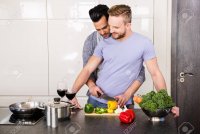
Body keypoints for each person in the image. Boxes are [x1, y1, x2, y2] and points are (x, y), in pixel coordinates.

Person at [71, 4, 179, 117]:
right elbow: (87, 69)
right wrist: (72, 93)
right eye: (110, 26)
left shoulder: (144, 43)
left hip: (124, 104)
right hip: (97, 101)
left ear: (128, 25)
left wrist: (167, 103)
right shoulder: (104, 43)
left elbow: (155, 74)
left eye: (116, 27)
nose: (111, 31)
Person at [82, 4, 145, 108]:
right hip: (96, 101)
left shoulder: (129, 39)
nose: (102, 32)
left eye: (105, 27)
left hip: (123, 102)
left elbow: (141, 73)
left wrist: (127, 94)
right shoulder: (91, 41)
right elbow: (86, 70)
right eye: (98, 29)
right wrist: (92, 86)